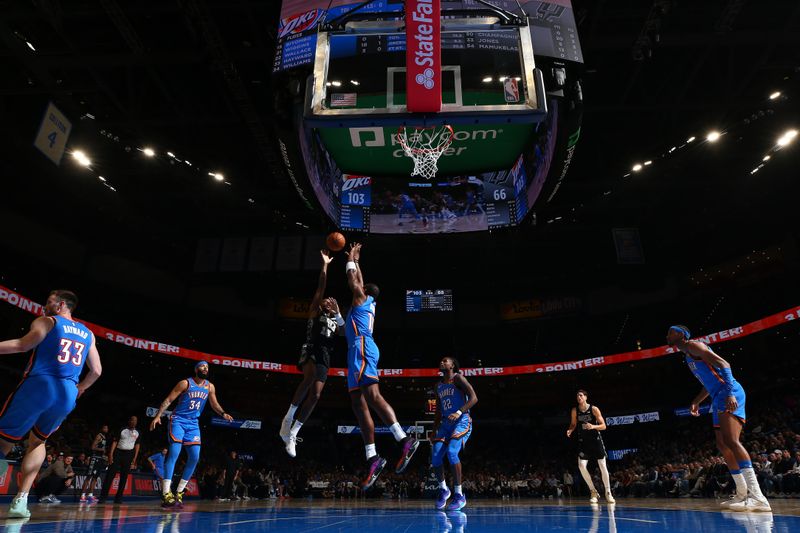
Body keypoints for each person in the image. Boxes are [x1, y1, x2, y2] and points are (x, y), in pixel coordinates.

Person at [0, 290, 102, 518]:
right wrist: (81, 389)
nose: (44, 307)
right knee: (38, 442)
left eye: (48, 303)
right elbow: (96, 371)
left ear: (61, 305)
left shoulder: (48, 321)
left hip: (40, 384)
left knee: (3, 440)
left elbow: (22, 345)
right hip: (67, 393)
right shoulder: (88, 334)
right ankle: (20, 502)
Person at [667, 325, 771, 512]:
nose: (668, 335)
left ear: (682, 334)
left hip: (728, 392)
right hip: (718, 396)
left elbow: (724, 365)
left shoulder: (694, 346)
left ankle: (758, 497)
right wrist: (697, 401)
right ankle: (741, 493)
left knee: (732, 441)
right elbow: (709, 383)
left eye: (671, 331)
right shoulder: (687, 356)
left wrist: (730, 393)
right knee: (722, 445)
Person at [344, 243, 419, 489]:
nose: (358, 285)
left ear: (364, 291)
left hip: (363, 347)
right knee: (358, 403)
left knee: (372, 396)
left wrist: (351, 261)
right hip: (355, 350)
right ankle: (373, 457)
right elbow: (360, 280)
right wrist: (358, 261)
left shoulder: (360, 298)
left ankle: (404, 439)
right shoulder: (366, 302)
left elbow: (353, 280)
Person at [280, 250, 344, 457]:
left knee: (316, 395)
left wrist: (339, 312)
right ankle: (288, 417)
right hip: (311, 348)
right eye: (326, 300)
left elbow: (345, 333)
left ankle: (293, 433)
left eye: (330, 301)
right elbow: (321, 286)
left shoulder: (335, 319)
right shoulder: (315, 310)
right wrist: (325, 265)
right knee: (309, 379)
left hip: (326, 354)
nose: (328, 301)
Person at [150, 361, 233, 508]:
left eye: (207, 367)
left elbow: (214, 404)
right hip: (178, 421)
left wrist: (223, 413)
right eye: (202, 366)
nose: (205, 369)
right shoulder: (185, 383)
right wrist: (158, 416)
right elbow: (169, 400)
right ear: (196, 369)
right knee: (174, 454)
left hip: (193, 424)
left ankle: (179, 492)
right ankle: (166, 493)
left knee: (195, 457)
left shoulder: (210, 386)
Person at [431, 357, 478, 511]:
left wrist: (458, 412)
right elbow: (438, 410)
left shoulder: (458, 378)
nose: (442, 362)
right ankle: (444, 489)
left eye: (446, 361)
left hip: (461, 420)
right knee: (436, 456)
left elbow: (474, 398)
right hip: (445, 424)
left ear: (452, 365)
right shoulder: (438, 385)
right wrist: (433, 429)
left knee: (452, 453)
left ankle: (459, 495)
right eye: (441, 361)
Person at [566, 390, 615, 504]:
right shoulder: (575, 410)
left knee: (602, 465)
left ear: (586, 397)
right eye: (577, 395)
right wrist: (570, 430)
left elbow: (603, 426)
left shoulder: (594, 409)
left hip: (595, 440)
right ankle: (593, 491)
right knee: (581, 466)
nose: (579, 397)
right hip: (583, 442)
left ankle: (608, 493)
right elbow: (573, 424)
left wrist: (593, 426)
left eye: (581, 395)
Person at [100, 415, 140, 504]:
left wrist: (135, 458)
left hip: (128, 455)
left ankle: (118, 498)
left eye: (135, 421)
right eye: (132, 420)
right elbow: (115, 442)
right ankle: (103, 497)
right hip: (118, 452)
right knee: (110, 475)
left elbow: (137, 445)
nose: (134, 422)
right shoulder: (122, 430)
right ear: (129, 421)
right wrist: (110, 455)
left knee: (124, 477)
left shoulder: (138, 432)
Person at [80, 423, 109, 504]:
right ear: (101, 428)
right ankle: (82, 496)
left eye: (107, 428)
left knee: (95, 478)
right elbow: (92, 447)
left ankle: (90, 495)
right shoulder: (98, 436)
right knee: (89, 477)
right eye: (105, 428)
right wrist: (101, 450)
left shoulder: (104, 437)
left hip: (100, 459)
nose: (106, 429)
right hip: (94, 458)